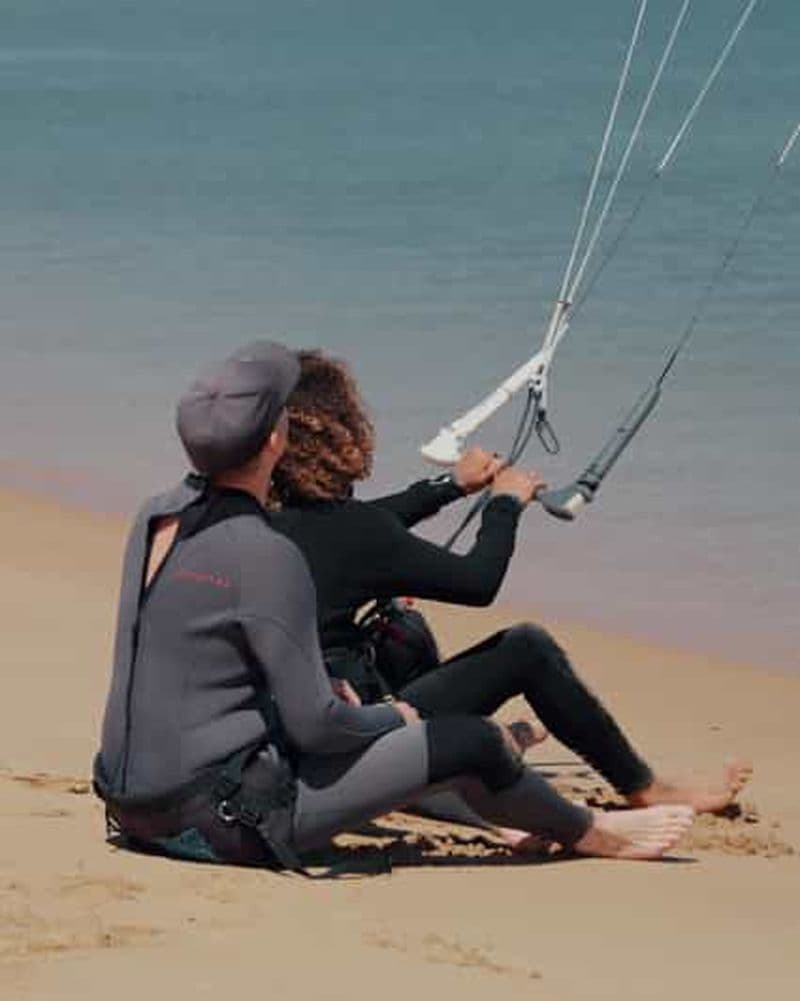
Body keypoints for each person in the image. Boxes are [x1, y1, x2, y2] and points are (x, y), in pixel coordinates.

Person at [93, 340, 695, 867]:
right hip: (220, 822)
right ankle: (594, 833)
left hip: (132, 803)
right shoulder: (264, 554)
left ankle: (470, 798)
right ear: (277, 438)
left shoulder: (159, 514)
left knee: (381, 709)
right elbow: (320, 729)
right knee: (474, 741)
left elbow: (348, 541)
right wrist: (394, 718)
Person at [270, 350, 751, 816]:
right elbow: (478, 583)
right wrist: (504, 505)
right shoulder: (353, 533)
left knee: (400, 628)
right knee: (526, 648)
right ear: (343, 435)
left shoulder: (242, 514)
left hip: (286, 734)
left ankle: (458, 756)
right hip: (347, 741)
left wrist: (450, 486)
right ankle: (645, 788)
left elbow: (355, 529)